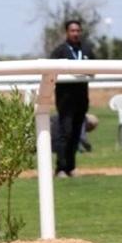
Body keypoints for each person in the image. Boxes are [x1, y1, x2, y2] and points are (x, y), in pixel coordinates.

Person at [49, 19, 96, 177]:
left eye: (78, 30)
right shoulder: (60, 51)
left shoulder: (86, 49)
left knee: (76, 134)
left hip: (81, 98)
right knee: (65, 132)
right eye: (72, 31)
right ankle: (61, 168)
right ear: (67, 32)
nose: (75, 33)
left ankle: (71, 167)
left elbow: (95, 68)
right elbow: (50, 71)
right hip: (65, 100)